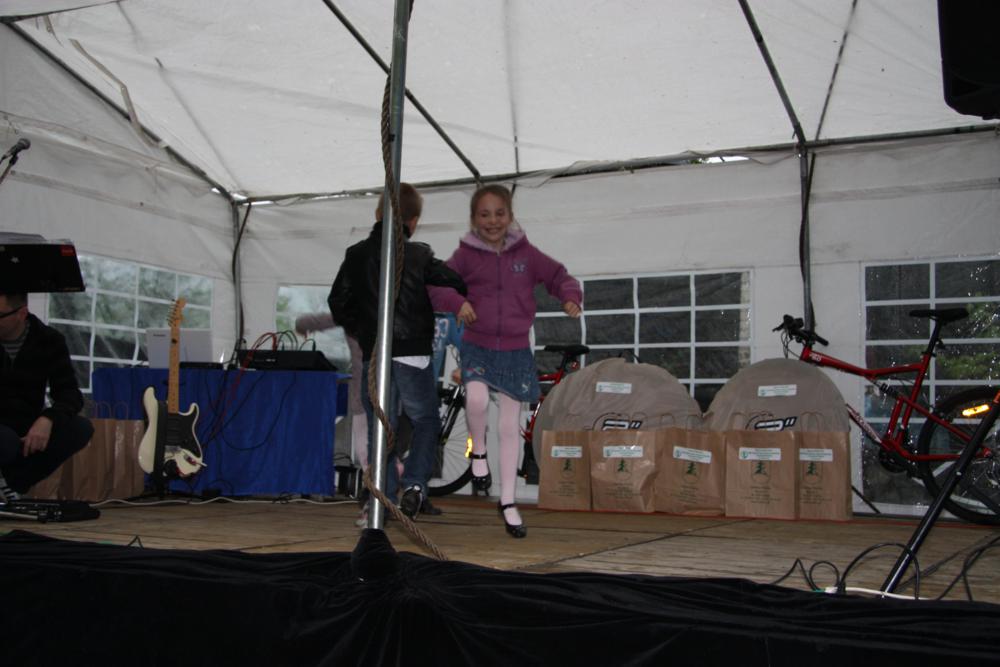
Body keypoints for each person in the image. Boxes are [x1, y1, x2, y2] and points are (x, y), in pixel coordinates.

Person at [430, 185, 582, 538]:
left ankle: (509, 501)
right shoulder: (465, 256)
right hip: (478, 343)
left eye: (499, 213)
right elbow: (436, 285)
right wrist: (457, 303)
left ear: (510, 216)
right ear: (474, 219)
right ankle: (479, 454)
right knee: (477, 399)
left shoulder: (526, 254)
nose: (493, 221)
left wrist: (570, 296)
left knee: (510, 424)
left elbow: (558, 275)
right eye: (484, 214)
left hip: (515, 348)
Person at [328, 183, 466, 521]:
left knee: (381, 428)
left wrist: (364, 331)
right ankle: (416, 484)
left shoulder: (356, 254)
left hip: (375, 353)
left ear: (377, 214)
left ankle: (381, 500)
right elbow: (455, 281)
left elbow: (337, 302)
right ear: (414, 221)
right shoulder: (418, 254)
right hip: (413, 352)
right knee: (426, 421)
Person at [0, 292, 93, 501]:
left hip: (26, 424)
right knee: (6, 441)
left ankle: (12, 485)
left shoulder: (49, 340)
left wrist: (48, 419)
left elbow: (70, 393)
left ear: (21, 313)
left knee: (80, 428)